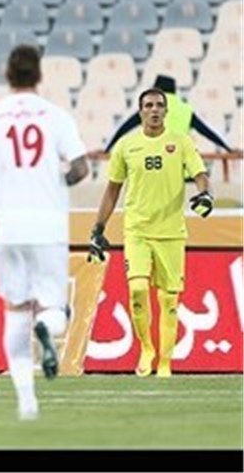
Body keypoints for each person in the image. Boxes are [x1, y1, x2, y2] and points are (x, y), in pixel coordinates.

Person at [0, 45, 89, 420]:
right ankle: (45, 327)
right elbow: (80, 168)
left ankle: (27, 402)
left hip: (6, 224)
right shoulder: (56, 117)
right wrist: (55, 181)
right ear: (39, 75)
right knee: (53, 306)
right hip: (46, 223)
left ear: (7, 75)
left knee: (15, 309)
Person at [88, 87, 213, 379]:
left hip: (171, 233)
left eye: (159, 105)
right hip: (137, 231)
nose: (154, 110)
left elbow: (200, 175)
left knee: (169, 301)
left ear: (166, 111)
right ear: (140, 111)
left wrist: (206, 194)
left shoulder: (181, 142)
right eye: (148, 105)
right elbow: (112, 191)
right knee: (138, 290)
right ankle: (147, 348)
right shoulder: (126, 146)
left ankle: (165, 363)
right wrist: (98, 228)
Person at [105, 74, 235, 154]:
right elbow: (208, 132)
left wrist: (107, 149)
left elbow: (124, 128)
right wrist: (229, 149)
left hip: (154, 167)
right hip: (180, 169)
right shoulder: (186, 110)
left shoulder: (150, 107)